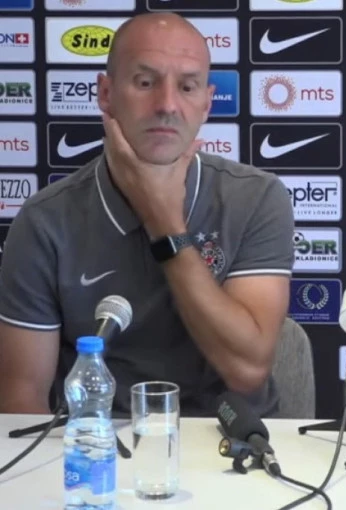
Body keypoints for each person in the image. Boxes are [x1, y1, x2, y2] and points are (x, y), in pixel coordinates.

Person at [0, 13, 295, 418]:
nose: (167, 105)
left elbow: (247, 371)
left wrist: (164, 222)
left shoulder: (257, 198)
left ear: (207, 102)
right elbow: (20, 402)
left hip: (231, 441)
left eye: (187, 87)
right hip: (98, 443)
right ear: (106, 94)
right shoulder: (44, 221)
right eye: (145, 83)